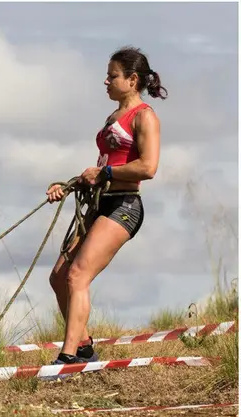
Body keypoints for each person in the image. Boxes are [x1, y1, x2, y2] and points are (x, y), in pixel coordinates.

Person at [44, 46, 166, 370]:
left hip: (125, 204)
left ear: (132, 79)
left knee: (78, 274)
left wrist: (106, 173)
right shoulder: (112, 117)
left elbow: (148, 167)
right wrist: (74, 183)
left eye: (112, 76)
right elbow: (105, 165)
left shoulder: (145, 116)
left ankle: (68, 357)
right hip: (101, 201)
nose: (106, 81)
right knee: (59, 277)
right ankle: (83, 348)